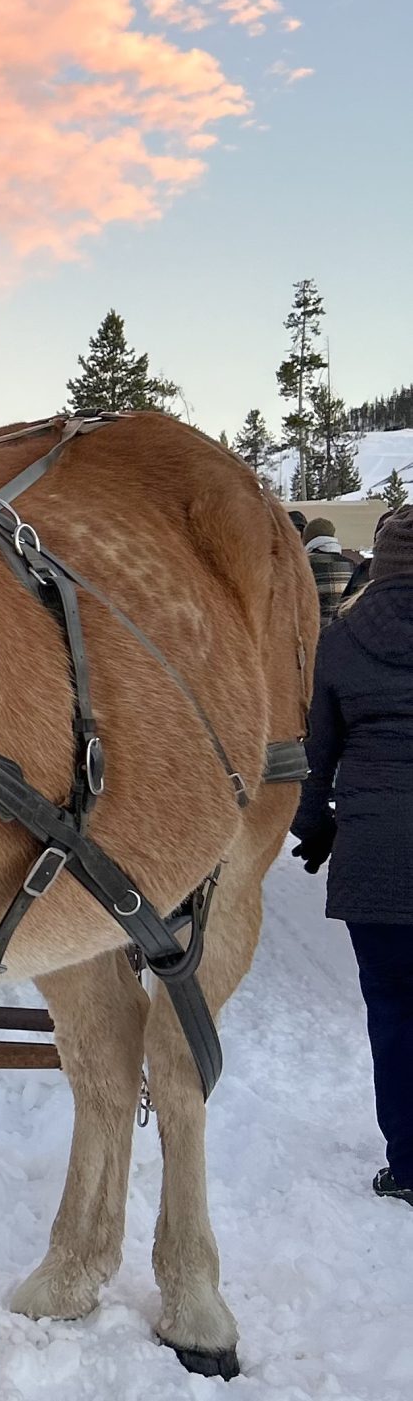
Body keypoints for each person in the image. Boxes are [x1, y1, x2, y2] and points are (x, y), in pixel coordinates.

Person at [292, 505, 413, 1207]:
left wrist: (314, 829)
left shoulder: (339, 642)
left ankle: (407, 1160)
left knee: (394, 1008)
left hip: (376, 855)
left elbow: (316, 757)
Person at [302, 517, 357, 629]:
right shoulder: (353, 566)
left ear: (307, 540)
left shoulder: (302, 565)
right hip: (343, 634)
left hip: (311, 634)